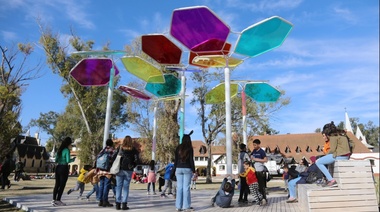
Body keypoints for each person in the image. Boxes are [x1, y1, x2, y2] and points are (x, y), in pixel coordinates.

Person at [316, 122, 352, 187]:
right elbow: (352, 144)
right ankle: (329, 179)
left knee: (318, 162)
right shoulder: (342, 134)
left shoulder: (333, 136)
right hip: (346, 156)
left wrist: (326, 155)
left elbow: (332, 150)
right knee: (326, 160)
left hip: (340, 155)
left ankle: (331, 180)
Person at [115, 135, 139, 210]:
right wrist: (133, 165)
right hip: (129, 169)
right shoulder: (133, 149)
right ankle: (124, 204)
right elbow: (137, 159)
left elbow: (114, 156)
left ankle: (117, 204)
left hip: (120, 168)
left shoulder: (120, 148)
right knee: (126, 187)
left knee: (118, 186)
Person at [174, 131, 196, 211]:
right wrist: (194, 170)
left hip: (178, 168)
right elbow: (191, 160)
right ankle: (186, 206)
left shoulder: (178, 148)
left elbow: (175, 160)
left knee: (179, 187)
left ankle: (178, 206)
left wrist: (174, 169)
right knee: (186, 188)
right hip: (187, 168)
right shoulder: (190, 149)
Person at [52, 137, 75, 206]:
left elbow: (56, 160)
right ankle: (58, 200)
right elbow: (68, 160)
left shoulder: (59, 150)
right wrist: (73, 159)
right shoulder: (66, 150)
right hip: (64, 167)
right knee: (62, 185)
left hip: (58, 167)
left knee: (57, 184)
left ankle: (53, 199)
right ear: (69, 143)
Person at [96, 138, 116, 208]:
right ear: (112, 144)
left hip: (101, 171)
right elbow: (114, 160)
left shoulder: (103, 150)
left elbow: (97, 157)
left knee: (101, 185)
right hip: (108, 170)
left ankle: (100, 200)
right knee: (106, 186)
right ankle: (105, 201)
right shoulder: (113, 150)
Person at [250, 139, 268, 205]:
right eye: (253, 145)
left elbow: (265, 160)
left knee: (261, 185)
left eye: (255, 145)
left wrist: (256, 159)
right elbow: (251, 156)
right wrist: (251, 157)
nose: (254, 146)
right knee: (256, 186)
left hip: (260, 170)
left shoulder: (262, 151)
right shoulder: (254, 151)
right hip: (254, 170)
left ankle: (264, 198)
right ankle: (259, 198)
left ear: (258, 144)